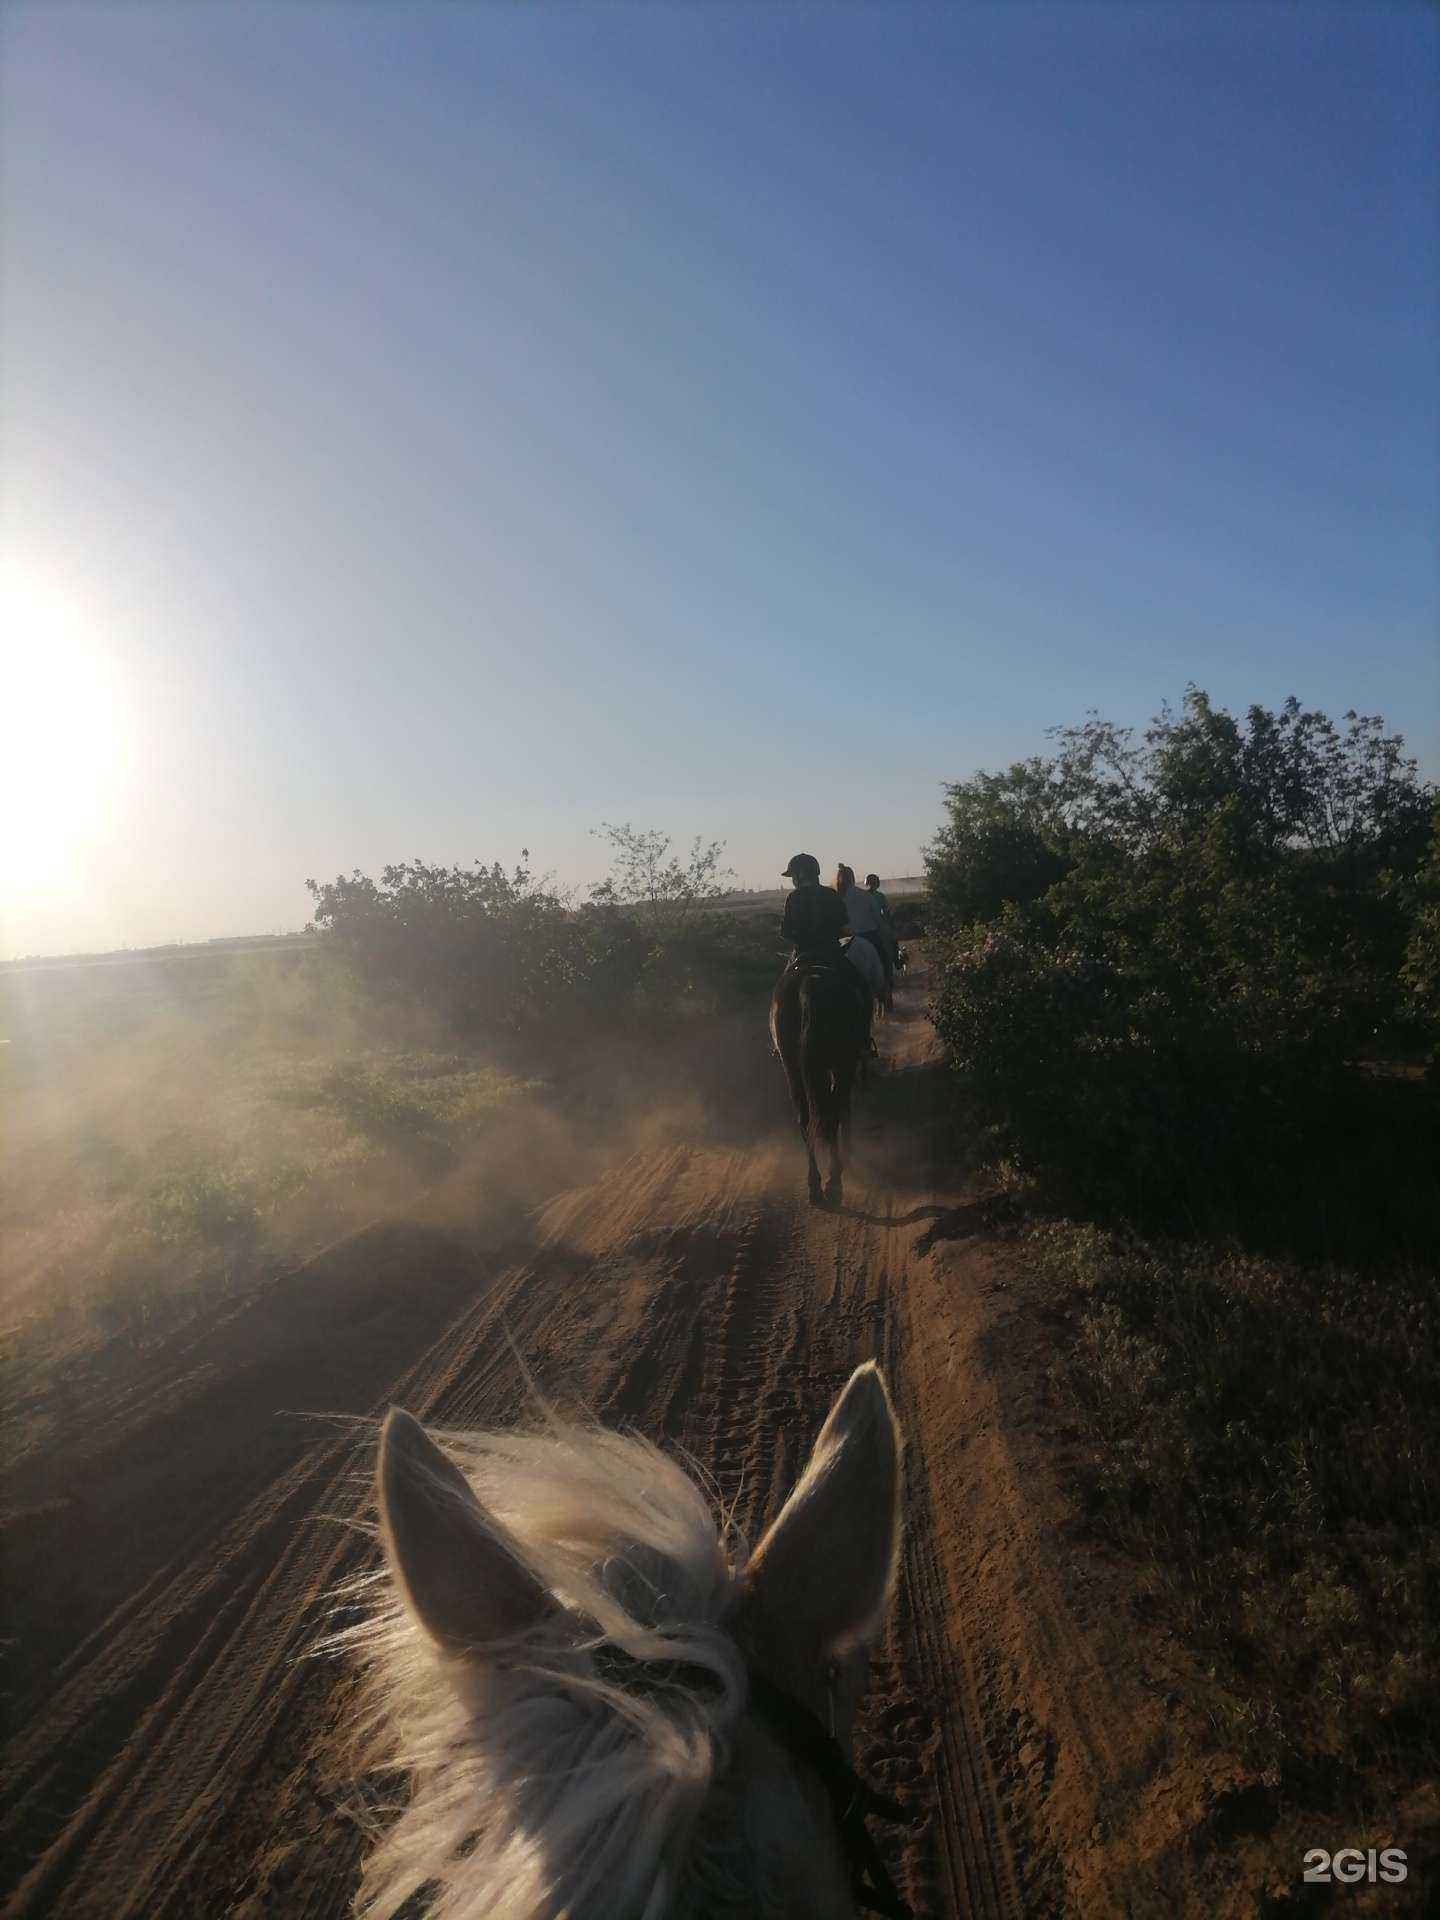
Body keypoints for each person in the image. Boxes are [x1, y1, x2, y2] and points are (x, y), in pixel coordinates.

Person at [779, 853, 848, 963]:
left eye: (793, 877)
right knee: (855, 976)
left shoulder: (793, 897)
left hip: (802, 954)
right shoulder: (831, 894)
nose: (793, 881)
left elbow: (785, 932)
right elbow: (844, 926)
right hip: (832, 952)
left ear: (799, 876)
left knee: (786, 978)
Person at [834, 864, 891, 996]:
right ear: (853, 878)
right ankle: (885, 988)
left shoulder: (836, 898)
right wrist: (886, 933)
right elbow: (878, 919)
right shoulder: (866, 896)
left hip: (844, 940)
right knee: (885, 957)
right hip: (869, 937)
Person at [865, 873, 899, 983]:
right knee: (893, 941)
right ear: (877, 883)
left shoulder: (863, 895)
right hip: (879, 926)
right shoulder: (880, 896)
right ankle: (896, 961)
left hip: (867, 927)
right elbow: (886, 912)